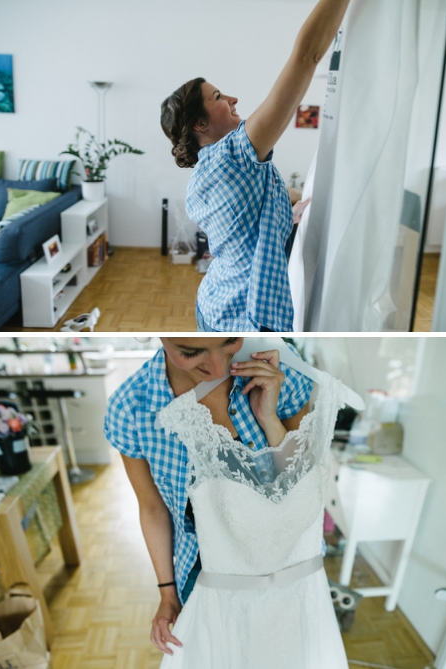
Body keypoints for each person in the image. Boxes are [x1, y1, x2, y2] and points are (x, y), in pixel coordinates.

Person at [104, 338, 314, 656]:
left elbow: (304, 487)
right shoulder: (131, 407)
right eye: (190, 352)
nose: (218, 368)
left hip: (288, 563)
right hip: (206, 572)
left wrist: (270, 419)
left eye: (230, 342)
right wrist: (167, 593)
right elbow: (152, 509)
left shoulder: (279, 367)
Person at [160, 0, 350, 332]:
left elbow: (248, 222)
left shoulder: (204, 175)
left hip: (214, 302)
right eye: (218, 97)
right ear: (199, 125)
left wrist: (292, 208)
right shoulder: (232, 157)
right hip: (240, 315)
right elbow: (307, 56)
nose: (232, 99)